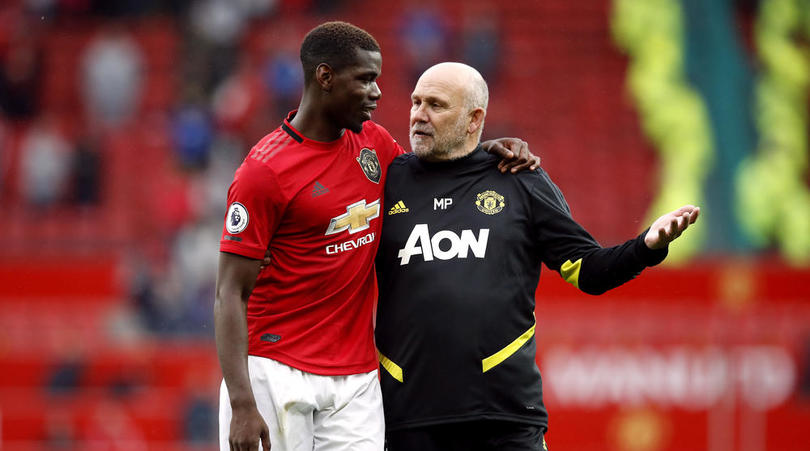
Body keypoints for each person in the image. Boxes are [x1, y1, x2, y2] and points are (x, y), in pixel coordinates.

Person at [214, 23, 540, 451]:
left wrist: (484, 150)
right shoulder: (264, 172)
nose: (378, 92)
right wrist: (242, 403)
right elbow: (229, 294)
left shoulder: (374, 145)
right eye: (365, 79)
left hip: (357, 379)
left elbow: (433, 179)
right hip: (276, 369)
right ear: (325, 78)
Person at [374, 62, 700, 451]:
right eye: (416, 102)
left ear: (474, 118)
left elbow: (587, 271)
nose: (418, 115)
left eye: (436, 105)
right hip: (409, 418)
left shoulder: (518, 178)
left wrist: (647, 246)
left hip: (504, 418)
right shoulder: (387, 182)